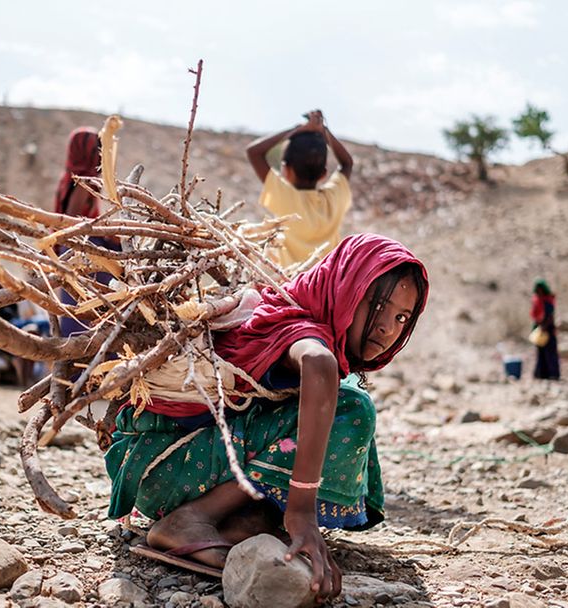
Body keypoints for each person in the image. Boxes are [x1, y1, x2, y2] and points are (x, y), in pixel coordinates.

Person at [105, 234, 429, 601]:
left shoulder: (292, 307)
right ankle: (190, 519)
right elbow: (318, 362)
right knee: (350, 411)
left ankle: (245, 519)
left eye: (401, 317)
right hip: (170, 466)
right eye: (378, 305)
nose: (387, 327)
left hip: (173, 465)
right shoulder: (301, 326)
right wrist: (302, 511)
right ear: (346, 287)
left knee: (332, 408)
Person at [245, 110, 354, 269]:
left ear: (286, 169)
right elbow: (347, 163)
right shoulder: (333, 199)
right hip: (324, 290)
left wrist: (296, 129)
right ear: (324, 173)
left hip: (290, 287)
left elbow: (254, 152)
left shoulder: (285, 197)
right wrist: (324, 131)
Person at [52, 127, 120, 336]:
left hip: (76, 250)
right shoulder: (84, 181)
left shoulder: (71, 178)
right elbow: (73, 223)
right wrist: (105, 235)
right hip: (81, 253)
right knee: (88, 315)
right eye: (97, 150)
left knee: (83, 315)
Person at [530, 279, 560, 380]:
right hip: (539, 329)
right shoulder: (537, 300)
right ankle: (541, 374)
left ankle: (553, 374)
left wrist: (544, 327)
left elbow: (550, 316)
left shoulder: (548, 300)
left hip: (548, 329)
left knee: (550, 352)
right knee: (541, 352)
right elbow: (535, 316)